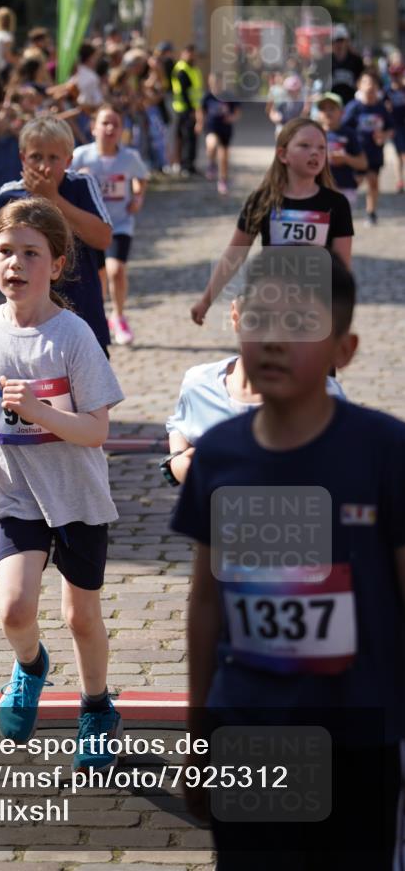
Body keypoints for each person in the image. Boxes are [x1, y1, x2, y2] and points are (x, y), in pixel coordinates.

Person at [171, 250, 405, 869]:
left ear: (344, 351)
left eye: (300, 324)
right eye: (262, 321)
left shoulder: (384, 451)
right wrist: (200, 741)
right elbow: (204, 601)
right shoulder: (219, 455)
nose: (274, 340)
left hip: (359, 737)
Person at [0, 197, 124, 770]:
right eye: (5, 251)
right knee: (14, 610)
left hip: (75, 493)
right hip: (16, 490)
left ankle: (97, 709)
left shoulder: (73, 336)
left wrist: (43, 414)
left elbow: (97, 430)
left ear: (55, 265)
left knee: (80, 616)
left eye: (31, 253)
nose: (15, 264)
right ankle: (30, 666)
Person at [0, 115, 113, 354]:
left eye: (53, 158)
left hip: (82, 310)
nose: (44, 166)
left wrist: (54, 199)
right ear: (23, 158)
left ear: (68, 160)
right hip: (29, 317)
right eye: (36, 157)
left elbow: (103, 237)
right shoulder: (9, 194)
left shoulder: (81, 185)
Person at [162, 297, 345, 487]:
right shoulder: (200, 383)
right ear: (236, 317)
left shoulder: (324, 395)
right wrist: (176, 463)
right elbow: (181, 425)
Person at [190, 118, 354, 326]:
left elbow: (342, 265)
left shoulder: (337, 204)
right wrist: (206, 301)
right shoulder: (262, 200)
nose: (315, 153)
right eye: (304, 146)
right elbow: (235, 254)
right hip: (270, 300)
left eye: (322, 148)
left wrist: (340, 314)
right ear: (283, 154)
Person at [70, 106, 149, 346]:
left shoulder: (129, 158)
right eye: (105, 123)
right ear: (93, 128)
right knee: (99, 275)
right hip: (91, 227)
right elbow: (63, 184)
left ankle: (119, 315)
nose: (110, 128)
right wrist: (78, 180)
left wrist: (137, 197)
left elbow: (142, 178)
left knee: (116, 271)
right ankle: (101, 317)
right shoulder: (81, 156)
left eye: (116, 124)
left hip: (119, 224)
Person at [342, 71, 393, 226]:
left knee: (373, 182)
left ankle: (371, 213)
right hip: (357, 154)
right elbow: (343, 128)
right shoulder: (354, 107)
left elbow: (390, 128)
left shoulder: (381, 107)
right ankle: (344, 212)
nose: (370, 86)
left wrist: (383, 136)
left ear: (377, 86)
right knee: (354, 183)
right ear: (359, 86)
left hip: (375, 153)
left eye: (373, 83)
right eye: (366, 82)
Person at [314, 91, 367, 210]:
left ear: (342, 112)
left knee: (341, 228)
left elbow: (363, 164)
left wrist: (346, 159)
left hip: (345, 189)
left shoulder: (350, 134)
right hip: (319, 189)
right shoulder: (313, 134)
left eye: (332, 108)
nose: (327, 112)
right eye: (323, 109)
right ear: (318, 113)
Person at [201, 74, 240, 195]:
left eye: (218, 82)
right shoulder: (207, 96)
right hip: (212, 127)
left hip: (225, 129)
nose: (216, 85)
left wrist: (232, 117)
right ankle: (211, 164)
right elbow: (201, 110)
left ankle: (223, 180)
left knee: (223, 158)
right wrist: (199, 123)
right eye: (213, 82)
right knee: (211, 145)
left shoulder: (228, 96)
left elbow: (237, 110)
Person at [171, 44, 204, 177]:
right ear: (184, 53)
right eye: (189, 53)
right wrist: (191, 109)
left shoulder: (193, 69)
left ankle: (191, 164)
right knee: (186, 138)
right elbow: (184, 92)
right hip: (184, 109)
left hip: (193, 107)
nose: (192, 56)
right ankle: (185, 165)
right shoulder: (181, 70)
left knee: (192, 138)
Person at [330, 24, 364, 105]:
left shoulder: (356, 60)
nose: (339, 44)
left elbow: (361, 79)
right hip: (332, 102)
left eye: (341, 40)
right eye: (335, 41)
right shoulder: (326, 60)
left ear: (347, 41)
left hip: (351, 101)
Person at [385, 64, 405, 193]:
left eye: (398, 75)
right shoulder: (387, 91)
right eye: (393, 75)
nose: (395, 78)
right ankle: (399, 181)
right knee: (399, 155)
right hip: (396, 127)